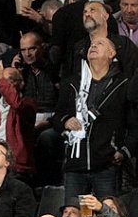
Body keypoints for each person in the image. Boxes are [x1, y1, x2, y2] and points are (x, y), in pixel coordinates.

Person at [52, 37, 129, 198]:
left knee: (107, 216)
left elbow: (133, 121)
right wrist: (65, 120)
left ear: (111, 53)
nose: (93, 46)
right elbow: (57, 116)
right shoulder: (71, 83)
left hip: (106, 164)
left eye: (99, 44)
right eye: (91, 45)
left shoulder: (121, 84)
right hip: (74, 165)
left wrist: (123, 151)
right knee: (73, 215)